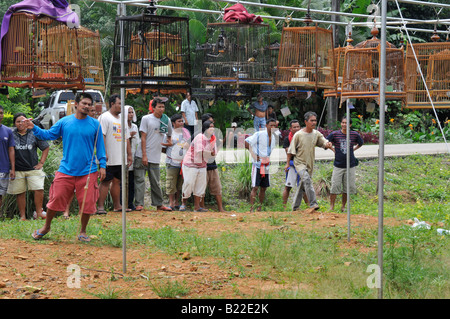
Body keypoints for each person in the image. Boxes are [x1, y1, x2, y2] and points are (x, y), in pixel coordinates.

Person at [25, 92, 106, 242]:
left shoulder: (95, 124)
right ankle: (46, 227)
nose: (87, 106)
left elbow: (100, 147)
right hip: (66, 169)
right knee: (55, 199)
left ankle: (82, 231)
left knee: (87, 203)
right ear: (76, 104)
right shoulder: (64, 122)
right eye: (84, 104)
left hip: (88, 170)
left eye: (89, 104)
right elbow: (47, 135)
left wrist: (103, 165)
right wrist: (33, 127)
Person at [286, 111, 333, 211]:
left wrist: (328, 144)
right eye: (311, 120)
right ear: (306, 121)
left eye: (315, 120)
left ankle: (295, 207)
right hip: (299, 163)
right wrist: (287, 164)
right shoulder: (298, 135)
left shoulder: (316, 134)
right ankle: (313, 204)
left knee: (302, 185)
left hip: (310, 164)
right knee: (306, 179)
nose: (314, 123)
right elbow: (290, 151)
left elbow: (324, 142)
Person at [8, 112, 49, 221]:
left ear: (27, 121)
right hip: (17, 169)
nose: (21, 123)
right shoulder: (11, 133)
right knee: (20, 192)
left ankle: (39, 212)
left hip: (33, 168)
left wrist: (41, 162)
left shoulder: (34, 132)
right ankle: (22, 216)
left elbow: (45, 147)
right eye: (18, 121)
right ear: (14, 123)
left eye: (23, 121)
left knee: (38, 189)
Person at [134, 96, 173, 212]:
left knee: (155, 181)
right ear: (153, 108)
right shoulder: (146, 119)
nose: (161, 109)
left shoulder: (167, 120)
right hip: (142, 155)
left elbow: (169, 134)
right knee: (140, 180)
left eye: (163, 107)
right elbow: (143, 138)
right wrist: (144, 155)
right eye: (159, 107)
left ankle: (159, 204)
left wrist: (168, 142)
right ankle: (139, 204)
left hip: (155, 156)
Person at [96, 94, 132, 215]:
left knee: (117, 181)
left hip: (121, 157)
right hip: (109, 157)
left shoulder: (123, 118)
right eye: (119, 104)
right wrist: (104, 152)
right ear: (112, 104)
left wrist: (129, 154)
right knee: (105, 181)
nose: (121, 106)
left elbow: (126, 137)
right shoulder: (104, 117)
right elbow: (102, 135)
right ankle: (100, 206)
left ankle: (117, 205)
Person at [326, 116, 364, 212]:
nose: (344, 124)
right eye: (343, 122)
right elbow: (326, 142)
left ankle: (343, 206)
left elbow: (361, 143)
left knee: (347, 188)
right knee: (334, 186)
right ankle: (332, 206)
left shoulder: (354, 135)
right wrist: (333, 149)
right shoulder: (335, 134)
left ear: (350, 125)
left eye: (346, 123)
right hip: (338, 165)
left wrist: (353, 149)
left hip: (350, 165)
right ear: (341, 124)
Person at [181, 120, 216, 212]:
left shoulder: (213, 138)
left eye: (213, 126)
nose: (212, 128)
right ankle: (183, 204)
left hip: (202, 165)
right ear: (205, 129)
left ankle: (197, 207)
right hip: (190, 164)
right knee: (188, 183)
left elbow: (213, 153)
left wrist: (210, 153)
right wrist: (210, 153)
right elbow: (200, 152)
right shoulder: (200, 137)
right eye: (210, 127)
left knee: (200, 186)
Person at [245, 118, 277, 212]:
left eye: (274, 125)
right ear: (266, 125)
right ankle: (251, 208)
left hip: (266, 165)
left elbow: (269, 151)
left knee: (264, 187)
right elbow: (247, 142)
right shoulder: (259, 134)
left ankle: (260, 207)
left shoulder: (274, 138)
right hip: (257, 164)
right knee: (255, 187)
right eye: (271, 125)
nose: (272, 127)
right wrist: (253, 155)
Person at [163, 113, 191, 210]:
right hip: (172, 162)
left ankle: (176, 202)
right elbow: (163, 148)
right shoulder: (169, 133)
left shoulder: (186, 132)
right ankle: (171, 203)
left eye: (182, 121)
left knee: (180, 183)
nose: (181, 123)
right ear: (173, 123)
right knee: (171, 182)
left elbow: (189, 145)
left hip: (183, 162)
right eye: (179, 121)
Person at [199, 113, 225, 212]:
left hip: (212, 164)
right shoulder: (199, 136)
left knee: (217, 187)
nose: (212, 124)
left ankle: (220, 208)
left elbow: (215, 151)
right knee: (201, 188)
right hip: (202, 166)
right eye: (210, 123)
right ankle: (202, 207)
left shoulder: (213, 136)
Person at [281, 119, 308, 209]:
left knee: (303, 187)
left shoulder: (304, 137)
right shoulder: (287, 139)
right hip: (292, 165)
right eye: (294, 127)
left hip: (302, 165)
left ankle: (310, 206)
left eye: (298, 127)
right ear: (290, 128)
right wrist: (288, 163)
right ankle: (283, 207)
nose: (296, 128)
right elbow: (289, 152)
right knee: (288, 186)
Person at [0, 105, 15, 213]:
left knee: (0, 195)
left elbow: (11, 150)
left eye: (1, 113)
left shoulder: (7, 131)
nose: (0, 115)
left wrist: (12, 168)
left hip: (3, 168)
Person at [125, 105, 140, 211]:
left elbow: (138, 141)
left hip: (133, 155)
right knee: (123, 181)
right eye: (128, 112)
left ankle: (130, 203)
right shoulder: (121, 125)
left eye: (132, 112)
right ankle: (122, 203)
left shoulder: (134, 126)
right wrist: (128, 135)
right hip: (123, 156)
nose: (130, 114)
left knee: (131, 181)